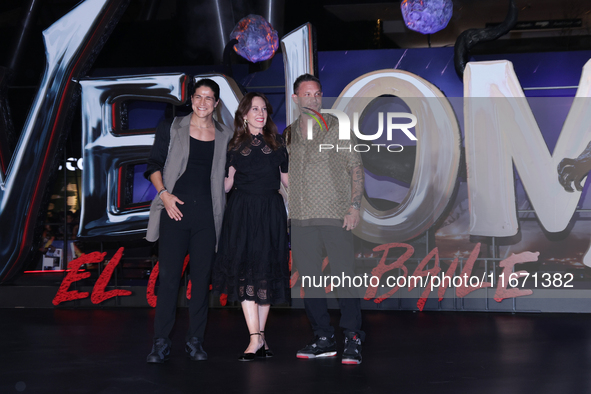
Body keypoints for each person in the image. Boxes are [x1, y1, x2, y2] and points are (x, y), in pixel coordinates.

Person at [144, 78, 232, 363]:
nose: (203, 102)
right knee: (169, 280)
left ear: (216, 103)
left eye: (209, 98)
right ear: (192, 99)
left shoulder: (225, 134)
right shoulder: (171, 127)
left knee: (200, 281)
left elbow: (227, 174)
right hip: (174, 211)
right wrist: (165, 196)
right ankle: (160, 342)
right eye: (199, 96)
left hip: (207, 216)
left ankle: (195, 340)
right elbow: (154, 166)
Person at [285, 73, 365, 365]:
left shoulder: (338, 128)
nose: (313, 98)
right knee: (310, 282)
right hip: (302, 218)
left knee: (345, 279)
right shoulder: (288, 134)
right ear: (296, 99)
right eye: (307, 94)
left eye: (317, 93)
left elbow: (356, 168)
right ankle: (323, 336)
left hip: (336, 216)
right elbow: (286, 178)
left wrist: (354, 208)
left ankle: (353, 337)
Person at [212, 92, 290, 361]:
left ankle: (259, 336)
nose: (260, 113)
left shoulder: (278, 143)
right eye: (254, 109)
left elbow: (288, 181)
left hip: (271, 212)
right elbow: (226, 184)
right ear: (244, 115)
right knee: (245, 273)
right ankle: (255, 337)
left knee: (266, 272)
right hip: (242, 212)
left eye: (264, 109)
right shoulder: (233, 144)